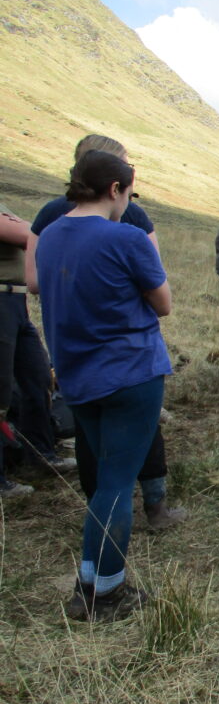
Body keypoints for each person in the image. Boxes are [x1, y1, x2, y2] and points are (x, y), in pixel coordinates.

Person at [35, 149, 172, 621]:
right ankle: (108, 596)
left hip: (77, 379)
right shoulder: (127, 238)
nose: (128, 201)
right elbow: (164, 302)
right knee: (116, 484)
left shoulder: (49, 236)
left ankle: (87, 584)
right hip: (131, 373)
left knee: (102, 483)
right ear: (116, 188)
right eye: (129, 192)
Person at [0, 204, 74, 498]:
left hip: (15, 302)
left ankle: (40, 454)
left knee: (38, 377)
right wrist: (21, 224)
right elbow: (26, 234)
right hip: (1, 298)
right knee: (1, 392)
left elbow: (29, 232)